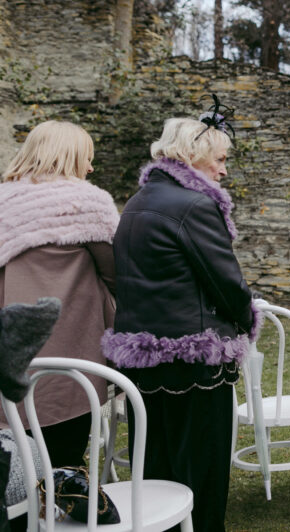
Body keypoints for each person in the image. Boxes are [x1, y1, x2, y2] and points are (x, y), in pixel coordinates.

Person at [102, 107, 257, 531]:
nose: (224, 171)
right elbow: (227, 283)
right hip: (195, 357)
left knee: (156, 466)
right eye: (220, 159)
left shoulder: (137, 202)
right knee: (201, 471)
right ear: (192, 156)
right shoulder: (195, 204)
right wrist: (248, 319)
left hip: (143, 358)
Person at [0, 120, 118, 468]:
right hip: (69, 350)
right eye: (86, 156)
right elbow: (117, 273)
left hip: (10, 345)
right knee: (63, 451)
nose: (91, 166)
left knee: (16, 450)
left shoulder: (3, 201)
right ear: (68, 157)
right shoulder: (87, 203)